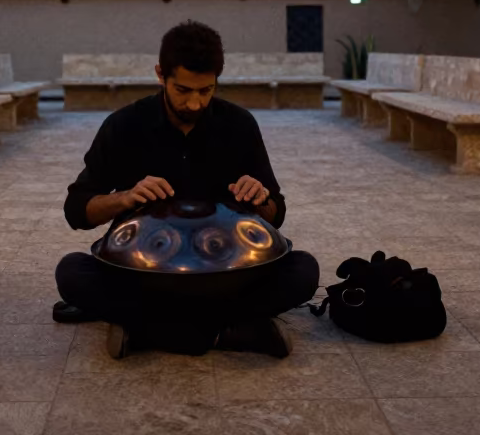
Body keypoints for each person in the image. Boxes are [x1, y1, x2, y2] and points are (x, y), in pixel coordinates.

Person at [53, 20, 319, 359]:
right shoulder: (124, 126)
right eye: (183, 90)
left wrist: (261, 197)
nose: (195, 104)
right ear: (160, 74)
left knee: (303, 270)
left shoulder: (238, 124)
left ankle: (148, 331)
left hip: (225, 277)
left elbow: (276, 214)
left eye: (205, 91)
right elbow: (76, 209)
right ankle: (229, 331)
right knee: (72, 272)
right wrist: (124, 197)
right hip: (148, 277)